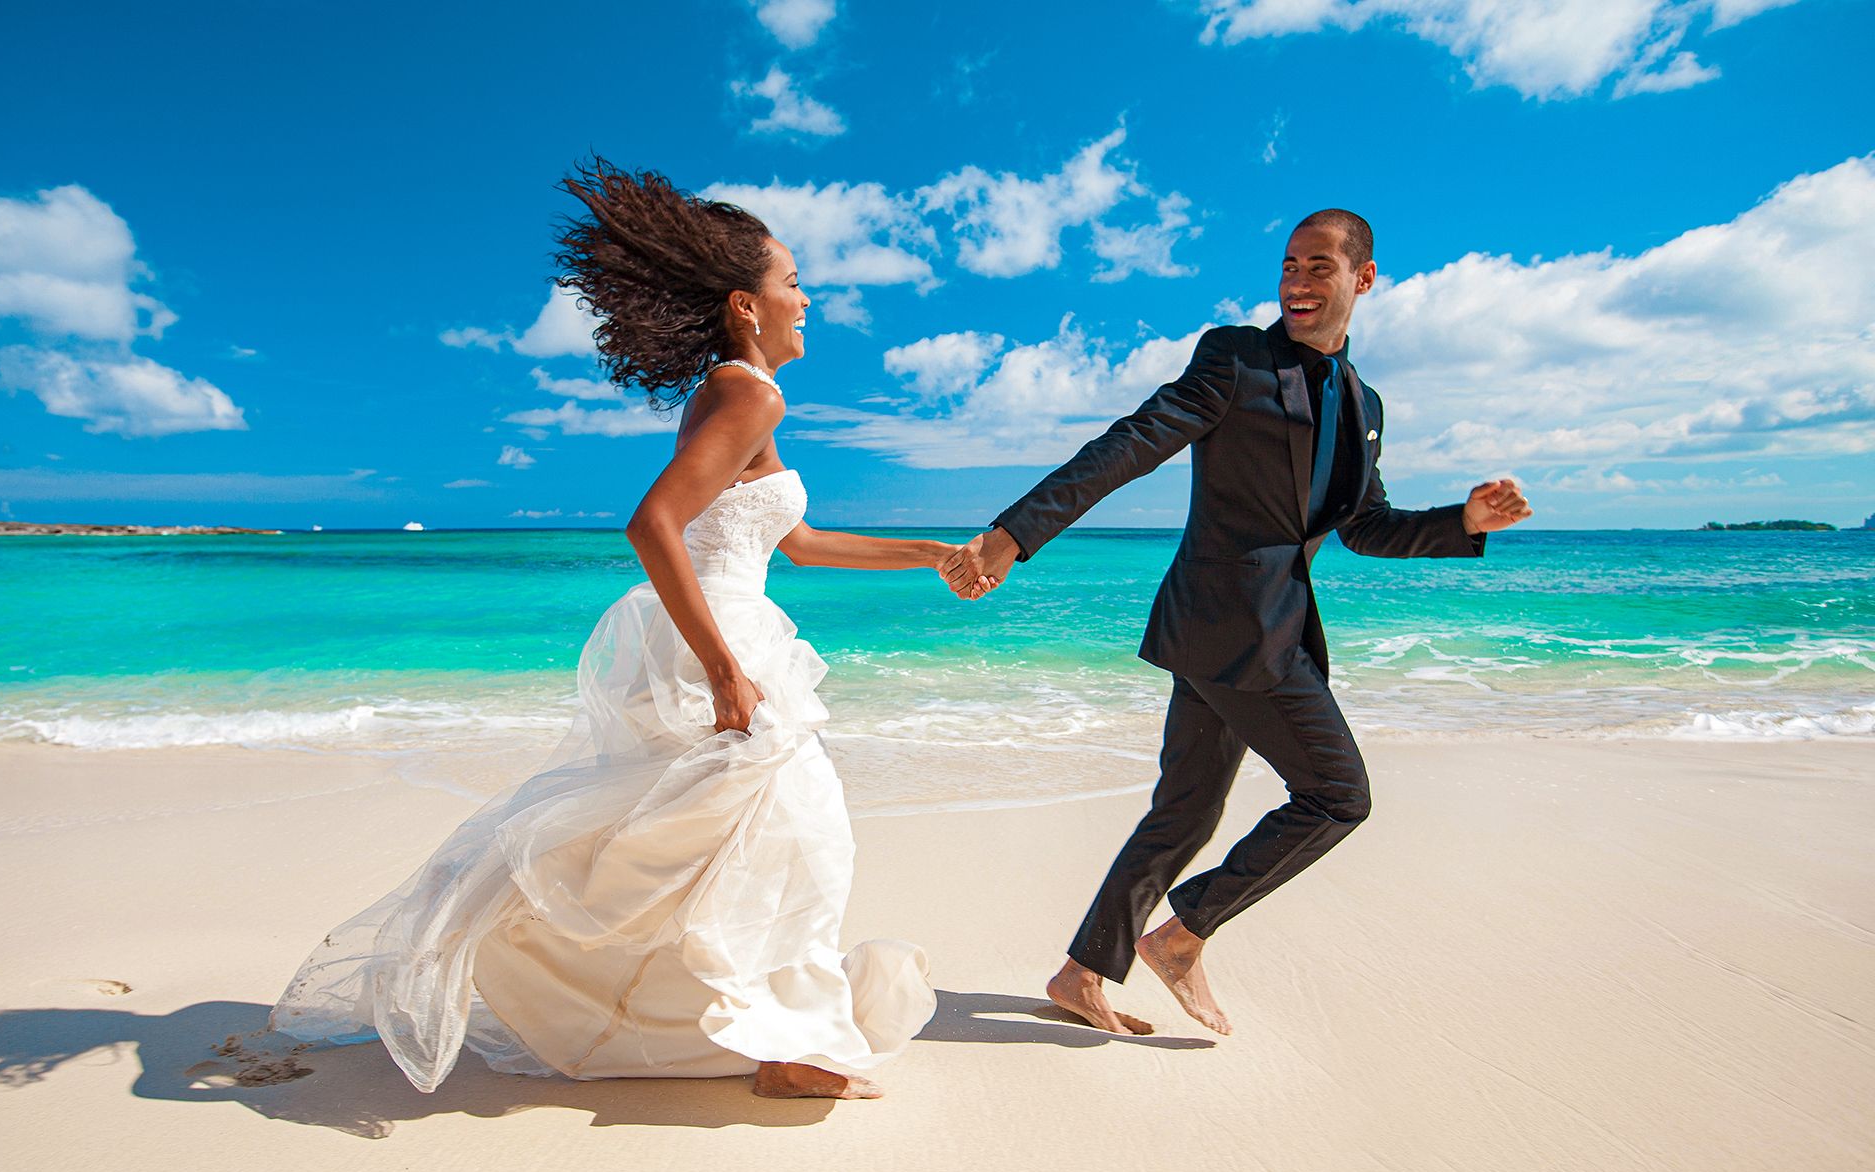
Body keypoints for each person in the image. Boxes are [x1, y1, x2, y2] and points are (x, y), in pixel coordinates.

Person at [270, 161, 947, 1100]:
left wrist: (930, 553)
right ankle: (783, 1045)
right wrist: (721, 668)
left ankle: (757, 1030)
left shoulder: (744, 394)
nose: (807, 297)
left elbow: (793, 540)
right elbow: (653, 524)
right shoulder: (749, 393)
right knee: (796, 835)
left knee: (727, 841)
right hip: (719, 636)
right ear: (745, 306)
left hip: (729, 623)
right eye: (792, 282)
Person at [940, 209, 1532, 1037]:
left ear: (1363, 279)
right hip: (1233, 630)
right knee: (1337, 795)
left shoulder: (1365, 404)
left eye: (1320, 266)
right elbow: (1134, 442)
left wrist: (1462, 522)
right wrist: (1014, 535)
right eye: (1289, 263)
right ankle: (1181, 937)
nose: (1297, 280)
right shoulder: (1235, 358)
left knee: (1184, 811)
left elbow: (1365, 527)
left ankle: (1081, 974)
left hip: (1252, 629)